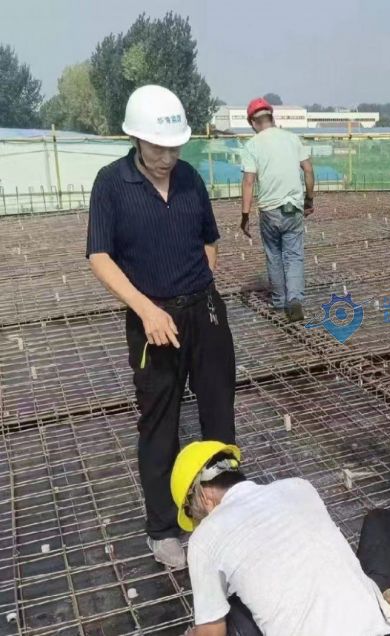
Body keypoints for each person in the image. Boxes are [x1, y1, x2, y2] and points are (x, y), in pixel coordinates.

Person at [86, 85, 236, 568]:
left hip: (204, 314)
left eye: (175, 147)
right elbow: (99, 255)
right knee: (159, 424)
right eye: (158, 148)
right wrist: (146, 309)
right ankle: (163, 528)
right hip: (152, 319)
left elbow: (209, 240)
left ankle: (224, 512)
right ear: (135, 138)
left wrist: (201, 286)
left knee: (219, 417)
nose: (168, 157)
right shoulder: (111, 184)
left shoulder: (190, 178)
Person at [171, 441, 390, 636]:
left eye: (194, 515)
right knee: (382, 521)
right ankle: (381, 604)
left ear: (203, 497)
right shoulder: (298, 486)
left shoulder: (204, 538)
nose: (199, 522)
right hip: (384, 630)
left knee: (228, 615)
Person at [239, 97, 315, 321]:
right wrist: (309, 200)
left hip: (269, 211)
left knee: (274, 255)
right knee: (294, 255)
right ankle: (295, 300)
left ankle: (280, 301)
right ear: (272, 118)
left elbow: (249, 182)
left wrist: (245, 216)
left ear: (252, 123)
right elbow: (308, 170)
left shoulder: (252, 145)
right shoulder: (292, 138)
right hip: (293, 209)